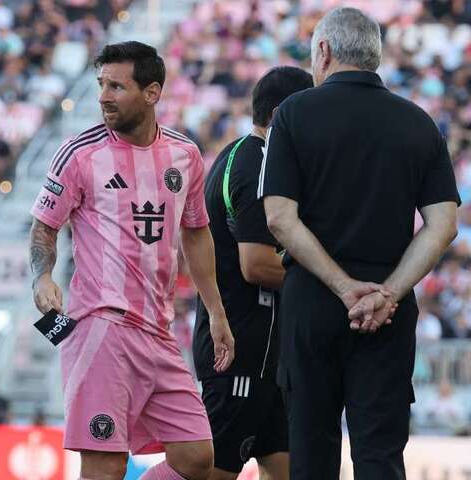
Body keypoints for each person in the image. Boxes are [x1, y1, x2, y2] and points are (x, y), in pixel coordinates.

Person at [258, 8, 460, 480]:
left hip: (313, 302)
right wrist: (388, 292)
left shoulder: (293, 114)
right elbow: (443, 225)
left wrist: (344, 287)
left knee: (311, 453)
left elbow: (279, 218)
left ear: (324, 51)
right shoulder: (419, 122)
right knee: (380, 455)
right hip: (388, 310)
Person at [29, 41, 235, 480]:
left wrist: (216, 311)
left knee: (197, 458)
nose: (104, 96)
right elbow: (44, 227)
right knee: (105, 465)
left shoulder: (185, 154)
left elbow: (196, 232)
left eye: (117, 87)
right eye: (101, 84)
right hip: (101, 326)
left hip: (158, 330)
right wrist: (42, 277)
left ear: (152, 92)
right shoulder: (80, 153)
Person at [193, 66, 313, 480]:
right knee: (214, 471)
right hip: (241, 349)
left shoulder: (240, 154)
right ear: (282, 115)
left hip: (266, 354)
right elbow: (256, 263)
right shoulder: (257, 163)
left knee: (286, 469)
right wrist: (328, 281)